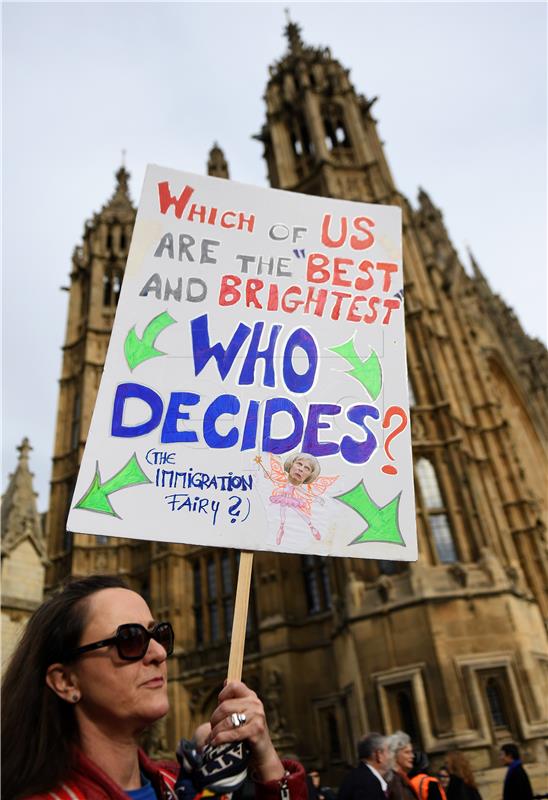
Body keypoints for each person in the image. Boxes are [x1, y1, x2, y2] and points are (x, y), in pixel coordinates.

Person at [1, 574, 307, 800]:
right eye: (130, 640)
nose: (159, 653)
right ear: (65, 681)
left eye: (159, 635)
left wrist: (268, 764)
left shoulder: (181, 785)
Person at [256, 452, 336, 545]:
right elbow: (273, 480)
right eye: (299, 464)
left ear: (309, 476)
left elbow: (305, 492)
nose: (301, 469)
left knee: (301, 513)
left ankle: (311, 527)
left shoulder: (298, 487)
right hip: (281, 500)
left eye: (307, 468)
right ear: (291, 465)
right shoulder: (281, 480)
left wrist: (316, 498)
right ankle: (280, 530)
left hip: (292, 502)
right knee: (281, 516)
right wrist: (266, 476)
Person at [338, 732, 391, 800]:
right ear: (379, 755)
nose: (390, 756)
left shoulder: (353, 777)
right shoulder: (369, 784)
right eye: (388, 751)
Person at [386, 731, 417, 800]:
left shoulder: (402, 778)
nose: (412, 756)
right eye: (407, 752)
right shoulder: (394, 780)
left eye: (411, 752)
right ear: (394, 754)